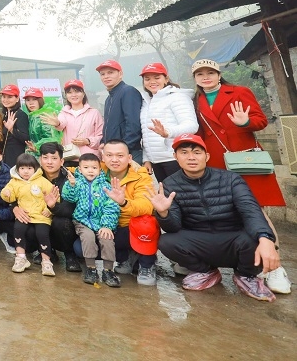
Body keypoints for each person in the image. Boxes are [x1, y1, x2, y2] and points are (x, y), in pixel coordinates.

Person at [190, 58, 289, 294]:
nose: (206, 77)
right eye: (200, 74)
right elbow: (198, 133)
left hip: (244, 160)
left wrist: (245, 122)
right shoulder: (196, 101)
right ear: (195, 78)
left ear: (219, 74)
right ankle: (248, 265)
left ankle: (275, 267)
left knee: (257, 212)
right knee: (228, 214)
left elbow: (261, 120)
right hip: (216, 163)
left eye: (210, 72)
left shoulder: (239, 92)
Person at [151, 134, 280, 302]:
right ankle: (206, 271)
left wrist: (265, 238)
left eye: (197, 152)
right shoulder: (170, 184)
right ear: (175, 156)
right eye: (184, 152)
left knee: (256, 238)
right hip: (200, 241)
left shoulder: (231, 179)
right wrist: (163, 213)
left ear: (207, 156)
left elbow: (250, 210)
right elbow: (173, 227)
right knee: (167, 241)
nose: (191, 157)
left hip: (234, 239)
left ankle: (246, 275)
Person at [100, 140, 156, 285]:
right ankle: (125, 258)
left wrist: (123, 203)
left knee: (147, 223)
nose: (114, 160)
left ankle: (147, 265)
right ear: (103, 157)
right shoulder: (96, 170)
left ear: (129, 158)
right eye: (109, 155)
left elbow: (146, 206)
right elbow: (70, 169)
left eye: (120, 155)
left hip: (130, 226)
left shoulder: (140, 176)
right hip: (106, 226)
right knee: (80, 247)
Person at [62, 153, 121, 287]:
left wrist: (106, 225)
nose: (90, 170)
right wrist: (71, 185)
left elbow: (111, 206)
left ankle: (108, 270)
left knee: (107, 238)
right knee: (88, 237)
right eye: (86, 167)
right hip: (82, 221)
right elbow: (69, 197)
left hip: (101, 222)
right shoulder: (77, 183)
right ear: (80, 169)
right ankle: (91, 268)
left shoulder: (106, 186)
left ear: (100, 169)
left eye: (94, 168)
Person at [138, 62, 198, 183]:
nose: (152, 82)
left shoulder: (177, 97)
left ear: (166, 79)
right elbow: (146, 133)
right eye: (147, 79)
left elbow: (192, 126)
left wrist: (168, 133)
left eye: (157, 77)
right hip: (156, 161)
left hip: (174, 158)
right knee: (166, 193)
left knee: (183, 192)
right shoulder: (147, 102)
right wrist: (146, 158)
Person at [1, 153, 56, 276]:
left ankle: (46, 261)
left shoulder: (42, 181)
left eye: (29, 168)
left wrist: (49, 209)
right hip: (24, 214)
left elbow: (54, 197)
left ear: (35, 168)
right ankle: (21, 258)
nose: (26, 171)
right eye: (22, 168)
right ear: (18, 169)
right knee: (18, 229)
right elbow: (8, 195)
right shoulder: (14, 182)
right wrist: (7, 194)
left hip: (41, 215)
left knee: (42, 233)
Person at [34, 142, 78, 271]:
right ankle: (48, 251)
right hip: (39, 216)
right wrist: (15, 207)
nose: (49, 162)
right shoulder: (33, 177)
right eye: (45, 158)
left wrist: (53, 208)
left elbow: (71, 209)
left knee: (61, 222)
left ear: (61, 161)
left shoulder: (70, 179)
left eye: (54, 158)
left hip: (63, 219)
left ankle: (69, 253)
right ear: (40, 159)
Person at [41, 79, 102, 165]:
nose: (73, 95)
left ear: (83, 94)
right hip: (69, 158)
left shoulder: (94, 113)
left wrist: (87, 141)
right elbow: (61, 123)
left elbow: (101, 137)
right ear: (66, 96)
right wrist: (57, 123)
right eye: (69, 92)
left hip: (90, 160)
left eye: (77, 91)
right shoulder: (64, 112)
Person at [96, 59, 144, 162]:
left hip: (129, 152)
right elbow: (109, 125)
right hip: (115, 152)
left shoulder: (128, 92)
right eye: (102, 74)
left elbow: (133, 124)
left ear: (120, 74)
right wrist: (103, 142)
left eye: (110, 72)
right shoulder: (109, 99)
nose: (106, 76)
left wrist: (124, 147)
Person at [22, 88, 63, 153]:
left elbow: (51, 139)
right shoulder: (32, 117)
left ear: (40, 100)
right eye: (28, 100)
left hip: (46, 154)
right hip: (35, 154)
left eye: (34, 99)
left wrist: (36, 148)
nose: (31, 103)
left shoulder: (45, 115)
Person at [0, 84, 29, 167]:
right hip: (6, 157)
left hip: (16, 159)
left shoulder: (20, 115)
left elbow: (26, 138)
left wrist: (12, 130)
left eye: (10, 97)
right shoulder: (5, 115)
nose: (6, 100)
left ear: (17, 99)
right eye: (4, 97)